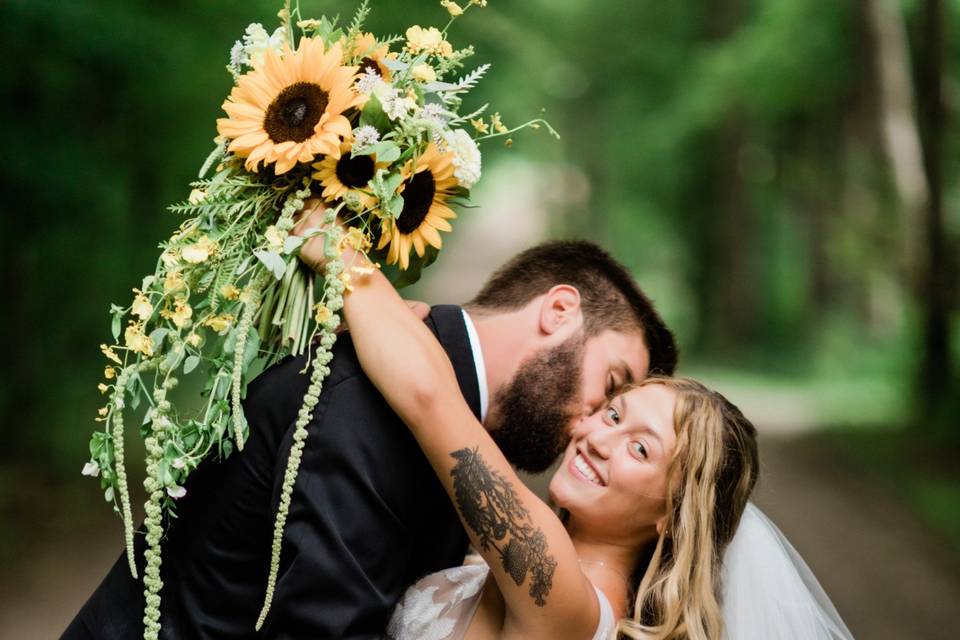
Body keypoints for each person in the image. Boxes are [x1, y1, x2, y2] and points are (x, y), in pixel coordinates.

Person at [64, 203, 677, 638]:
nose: (590, 428)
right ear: (560, 311)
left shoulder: (444, 420)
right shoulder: (369, 401)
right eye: (611, 392)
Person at [303, 209, 854, 639]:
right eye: (613, 412)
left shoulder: (568, 602)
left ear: (672, 516)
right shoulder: (494, 566)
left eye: (641, 450)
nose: (596, 436)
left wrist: (337, 249)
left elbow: (431, 400)